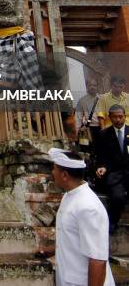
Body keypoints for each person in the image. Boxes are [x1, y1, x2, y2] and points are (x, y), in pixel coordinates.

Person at [49, 147, 115, 286]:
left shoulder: (88, 207)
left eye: (54, 169)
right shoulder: (69, 195)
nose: (52, 172)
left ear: (65, 175)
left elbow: (97, 259)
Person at [96, 105, 129, 234]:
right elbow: (101, 156)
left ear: (125, 116)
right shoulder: (103, 134)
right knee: (117, 197)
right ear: (110, 117)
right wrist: (102, 167)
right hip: (114, 173)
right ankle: (112, 222)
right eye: (115, 117)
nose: (118, 120)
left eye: (121, 116)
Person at [76, 75, 101, 149]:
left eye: (94, 85)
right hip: (89, 128)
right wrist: (77, 131)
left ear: (97, 87)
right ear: (87, 86)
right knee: (89, 150)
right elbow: (78, 118)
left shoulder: (102, 99)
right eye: (90, 85)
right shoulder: (82, 101)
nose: (92, 87)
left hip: (102, 128)